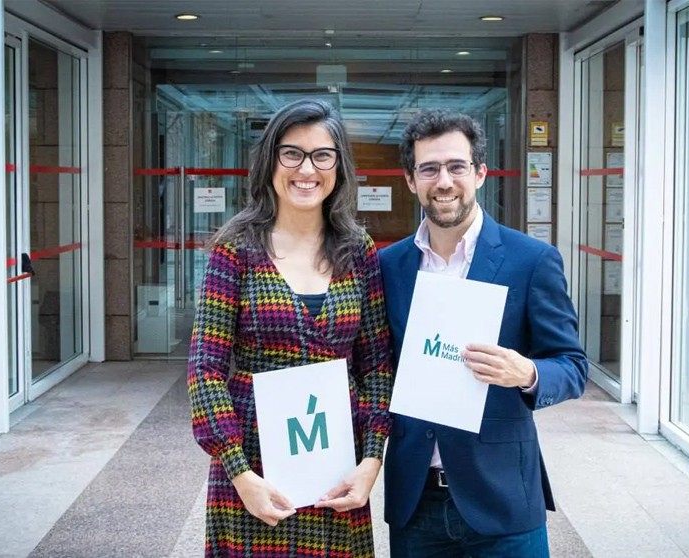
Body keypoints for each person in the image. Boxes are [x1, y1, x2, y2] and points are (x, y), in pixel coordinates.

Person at [187, 99, 393, 558]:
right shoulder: (236, 249)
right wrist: (239, 472)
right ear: (270, 161)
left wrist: (371, 461)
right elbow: (206, 369)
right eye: (292, 153)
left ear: (339, 166)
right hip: (254, 462)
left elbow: (377, 365)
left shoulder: (358, 249)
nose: (307, 169)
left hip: (335, 462)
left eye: (322, 155)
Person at [379, 109, 588, 557]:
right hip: (416, 501)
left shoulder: (531, 260)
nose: (444, 181)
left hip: (503, 499)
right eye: (429, 169)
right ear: (411, 180)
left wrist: (527, 372)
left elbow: (572, 366)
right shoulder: (389, 267)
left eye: (457, 166)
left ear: (480, 173)